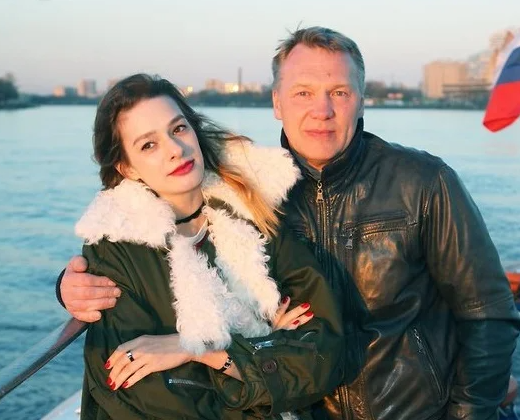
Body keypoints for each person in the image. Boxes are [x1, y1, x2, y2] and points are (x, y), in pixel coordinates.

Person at [58, 27, 520, 420]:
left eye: (339, 92)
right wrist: (68, 285)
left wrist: (466, 414)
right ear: (277, 102)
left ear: (361, 100)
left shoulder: (423, 182)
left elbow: (489, 313)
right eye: (303, 93)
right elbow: (176, 264)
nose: (322, 110)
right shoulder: (249, 194)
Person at [69, 73, 344, 420]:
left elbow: (323, 352)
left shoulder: (253, 215)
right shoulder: (116, 248)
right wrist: (266, 345)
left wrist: (201, 350)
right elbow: (147, 398)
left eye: (178, 129)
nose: (175, 149)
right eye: (148, 145)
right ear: (127, 168)